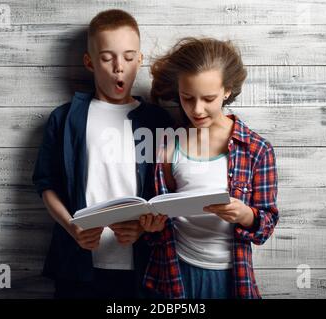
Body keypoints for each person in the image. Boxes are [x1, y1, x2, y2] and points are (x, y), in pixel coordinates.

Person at [32, 9, 172, 298]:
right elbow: (46, 183)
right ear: (89, 62)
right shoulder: (65, 118)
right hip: (77, 269)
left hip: (144, 269)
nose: (119, 67)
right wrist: (72, 227)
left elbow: (172, 193)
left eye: (129, 57)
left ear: (140, 61)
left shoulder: (159, 121)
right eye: (107, 58)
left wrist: (144, 230)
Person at [139, 37, 279, 299]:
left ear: (227, 91)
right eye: (187, 98)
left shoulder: (256, 149)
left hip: (231, 275)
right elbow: (160, 219)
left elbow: (266, 225)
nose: (197, 109)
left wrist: (245, 214)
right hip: (173, 272)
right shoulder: (167, 145)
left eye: (209, 98)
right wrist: (152, 227)